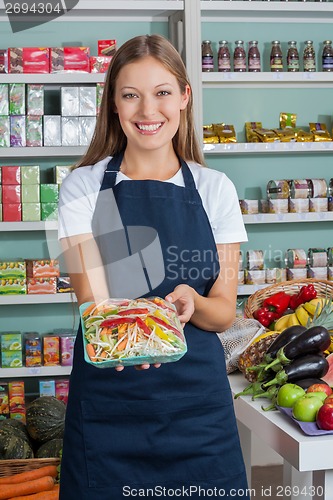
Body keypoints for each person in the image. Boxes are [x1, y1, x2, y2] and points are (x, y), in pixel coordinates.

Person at [58, 34, 249, 499]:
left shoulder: (215, 189)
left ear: (184, 97)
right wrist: (128, 336)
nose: (148, 111)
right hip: (111, 402)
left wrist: (193, 301)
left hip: (197, 411)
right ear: (114, 104)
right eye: (131, 95)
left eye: (163, 92)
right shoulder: (82, 187)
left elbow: (224, 312)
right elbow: (93, 301)